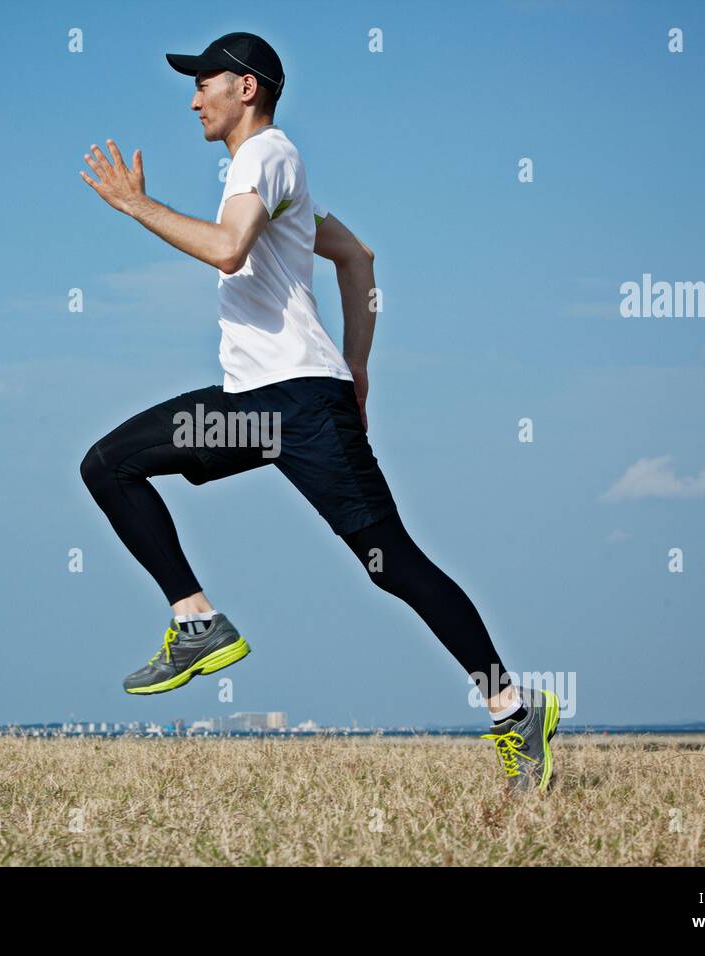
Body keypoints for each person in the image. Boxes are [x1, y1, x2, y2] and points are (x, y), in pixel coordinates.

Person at [78, 32, 559, 791]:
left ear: (247, 88)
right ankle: (198, 621)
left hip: (300, 404)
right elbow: (357, 257)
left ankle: (512, 708)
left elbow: (230, 249)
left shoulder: (265, 155)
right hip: (255, 407)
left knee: (391, 563)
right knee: (109, 463)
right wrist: (359, 367)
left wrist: (136, 206)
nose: (192, 97)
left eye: (203, 82)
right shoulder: (269, 170)